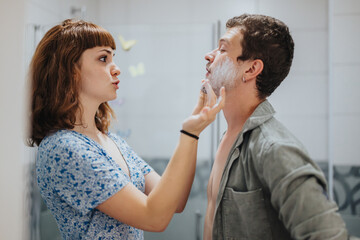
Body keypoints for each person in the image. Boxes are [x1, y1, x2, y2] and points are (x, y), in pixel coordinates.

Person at [28, 19, 225, 239]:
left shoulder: (110, 141)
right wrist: (189, 134)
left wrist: (194, 129)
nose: (116, 68)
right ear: (70, 71)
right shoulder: (64, 148)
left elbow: (176, 201)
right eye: (103, 58)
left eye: (113, 58)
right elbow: (154, 217)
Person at [203, 14, 349, 240]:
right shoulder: (228, 138)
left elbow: (329, 235)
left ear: (251, 70)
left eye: (223, 49)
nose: (209, 55)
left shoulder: (274, 149)